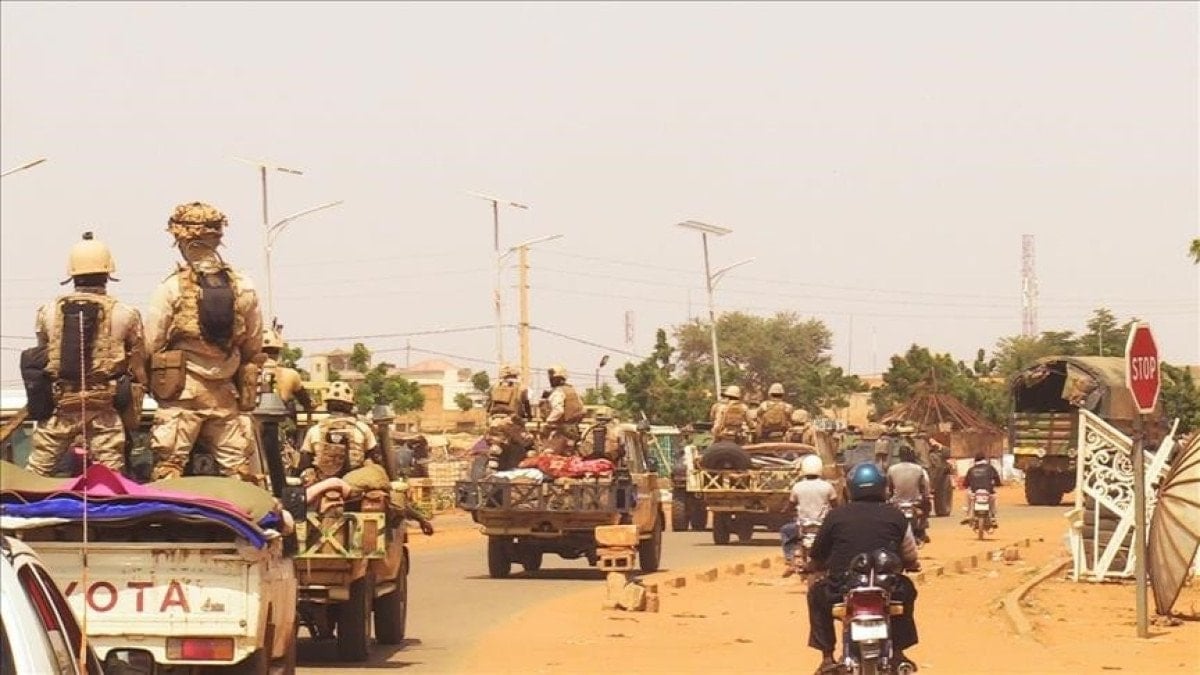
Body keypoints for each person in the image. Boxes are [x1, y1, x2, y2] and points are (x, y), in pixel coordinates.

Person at [145, 202, 263, 481]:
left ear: (181, 240)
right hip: (226, 396)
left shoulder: (171, 287)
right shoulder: (244, 286)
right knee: (240, 475)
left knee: (169, 472)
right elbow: (254, 345)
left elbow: (152, 343)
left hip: (180, 395)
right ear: (218, 237)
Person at [26, 232, 148, 476]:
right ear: (108, 273)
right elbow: (138, 364)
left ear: (71, 274)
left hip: (61, 407)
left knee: (34, 475)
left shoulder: (47, 312)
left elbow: (44, 354)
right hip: (104, 409)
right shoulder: (126, 314)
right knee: (112, 480)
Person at [807, 462, 920, 674]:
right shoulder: (896, 516)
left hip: (841, 588)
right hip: (888, 588)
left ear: (850, 489)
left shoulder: (835, 516)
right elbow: (910, 554)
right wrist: (912, 565)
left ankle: (827, 657)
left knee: (815, 595)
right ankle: (898, 651)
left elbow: (817, 554)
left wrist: (812, 566)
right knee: (908, 592)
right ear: (883, 487)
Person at [780, 454, 837, 577]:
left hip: (803, 528)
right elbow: (836, 506)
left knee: (786, 531)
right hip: (823, 527)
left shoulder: (797, 487)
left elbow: (790, 506)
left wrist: (784, 512)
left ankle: (790, 560)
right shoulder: (827, 486)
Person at [484, 364, 533, 470]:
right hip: (512, 421)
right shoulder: (521, 387)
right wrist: (528, 418)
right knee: (529, 443)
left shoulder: (494, 387)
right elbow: (526, 406)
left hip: (495, 421)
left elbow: (488, 407)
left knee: (495, 446)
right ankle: (530, 468)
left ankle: (492, 471)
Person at [261, 327, 313, 414]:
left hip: (251, 418)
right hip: (280, 418)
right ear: (278, 351)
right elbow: (306, 402)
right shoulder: (291, 374)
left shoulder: (245, 372)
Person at [887, 445, 932, 544]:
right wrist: (926, 497)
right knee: (927, 505)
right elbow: (925, 487)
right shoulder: (919, 469)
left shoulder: (892, 469)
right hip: (915, 502)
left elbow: (889, 488)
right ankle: (922, 528)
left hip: (897, 502)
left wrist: (890, 498)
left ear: (899, 456)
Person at [541, 364, 584, 455]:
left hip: (561, 430)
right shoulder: (572, 390)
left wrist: (548, 422)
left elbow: (558, 410)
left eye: (553, 379)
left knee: (549, 455)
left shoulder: (558, 391)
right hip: (573, 429)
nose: (551, 381)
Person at [961, 452, 1002, 526]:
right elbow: (997, 479)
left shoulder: (971, 469)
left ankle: (967, 515)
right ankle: (993, 517)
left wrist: (967, 485)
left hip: (974, 492)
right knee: (994, 498)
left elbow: (965, 483)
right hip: (988, 492)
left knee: (967, 495)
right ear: (984, 459)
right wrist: (998, 484)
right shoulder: (990, 468)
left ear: (975, 460)